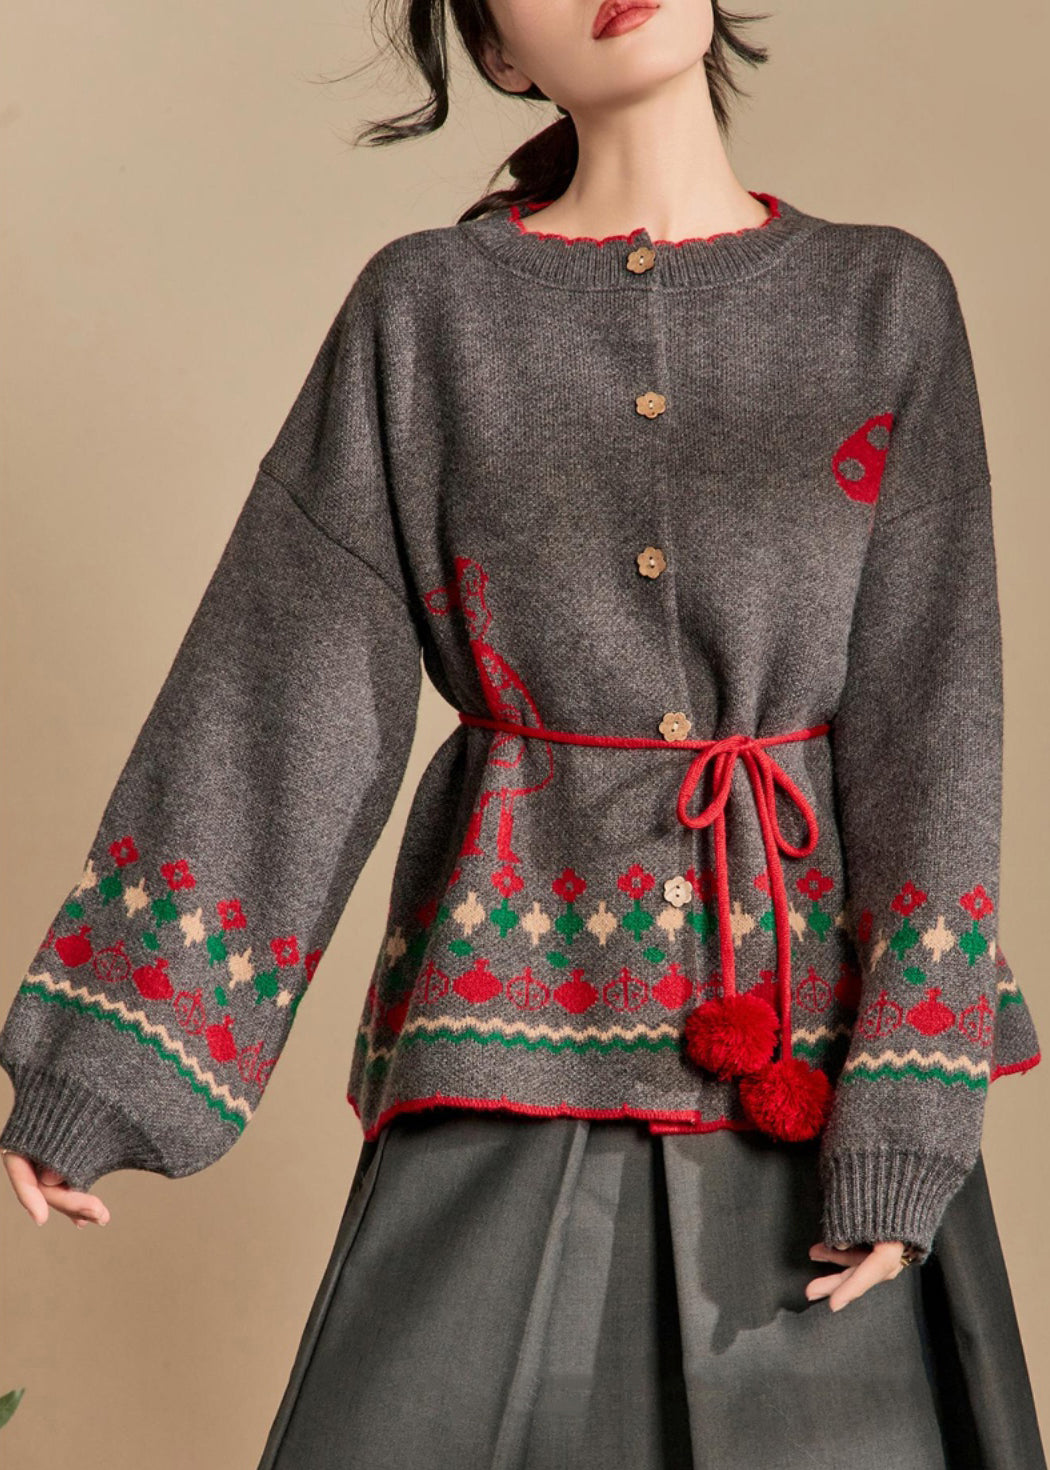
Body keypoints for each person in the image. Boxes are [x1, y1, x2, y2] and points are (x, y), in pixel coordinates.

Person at [1, 1, 1045, 1465]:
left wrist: (908, 1117)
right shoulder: (426, 311)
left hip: (815, 1074)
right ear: (496, 52)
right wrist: (101, 1069)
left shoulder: (885, 300)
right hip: (510, 1021)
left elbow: (935, 716)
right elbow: (287, 681)